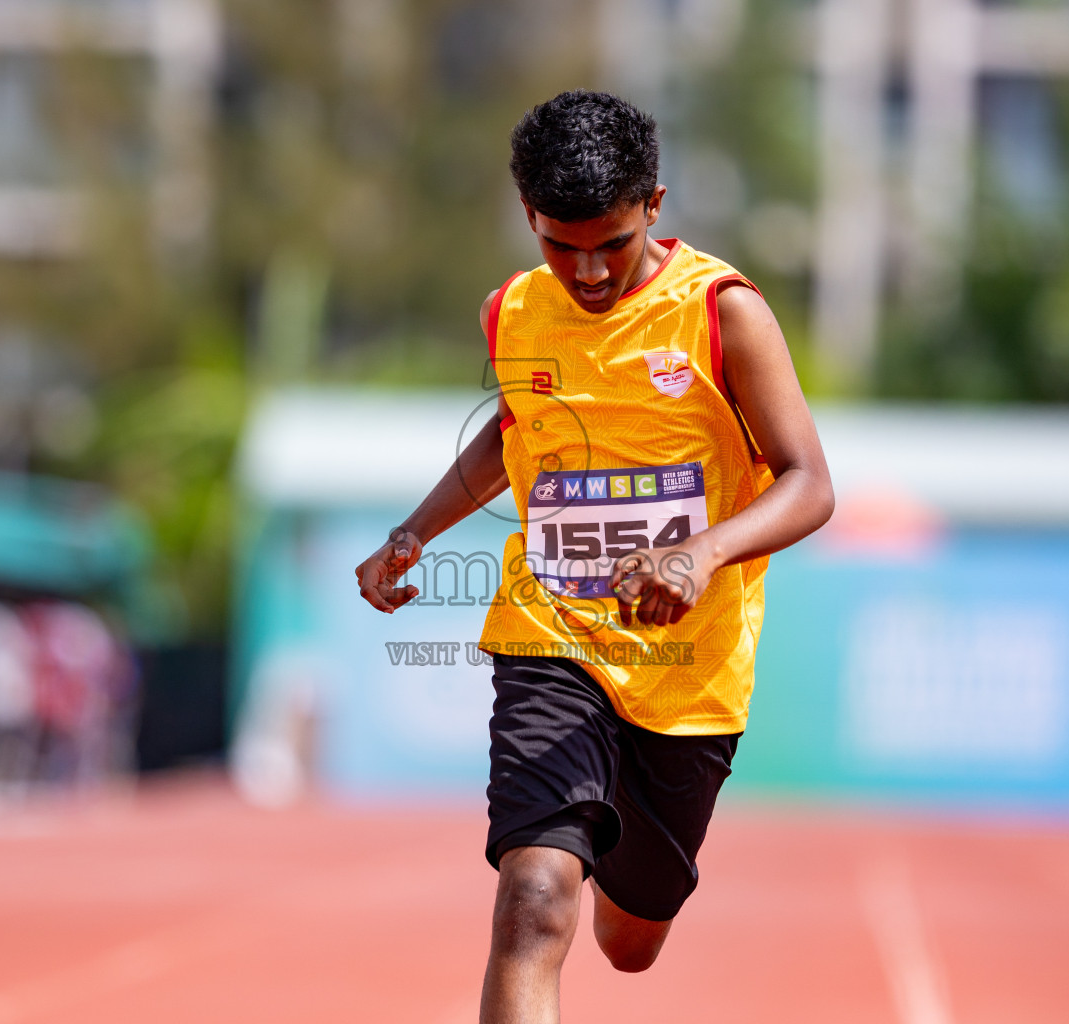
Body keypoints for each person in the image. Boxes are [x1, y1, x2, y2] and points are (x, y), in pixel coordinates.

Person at [354, 90, 833, 1023]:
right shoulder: (514, 312)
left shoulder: (722, 314)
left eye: (610, 243)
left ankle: (617, 847)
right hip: (551, 635)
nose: (588, 271)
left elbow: (809, 482)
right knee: (533, 901)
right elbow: (509, 435)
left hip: (687, 673)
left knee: (629, 943)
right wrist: (412, 534)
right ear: (527, 214)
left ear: (653, 205)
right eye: (558, 243)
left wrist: (701, 555)